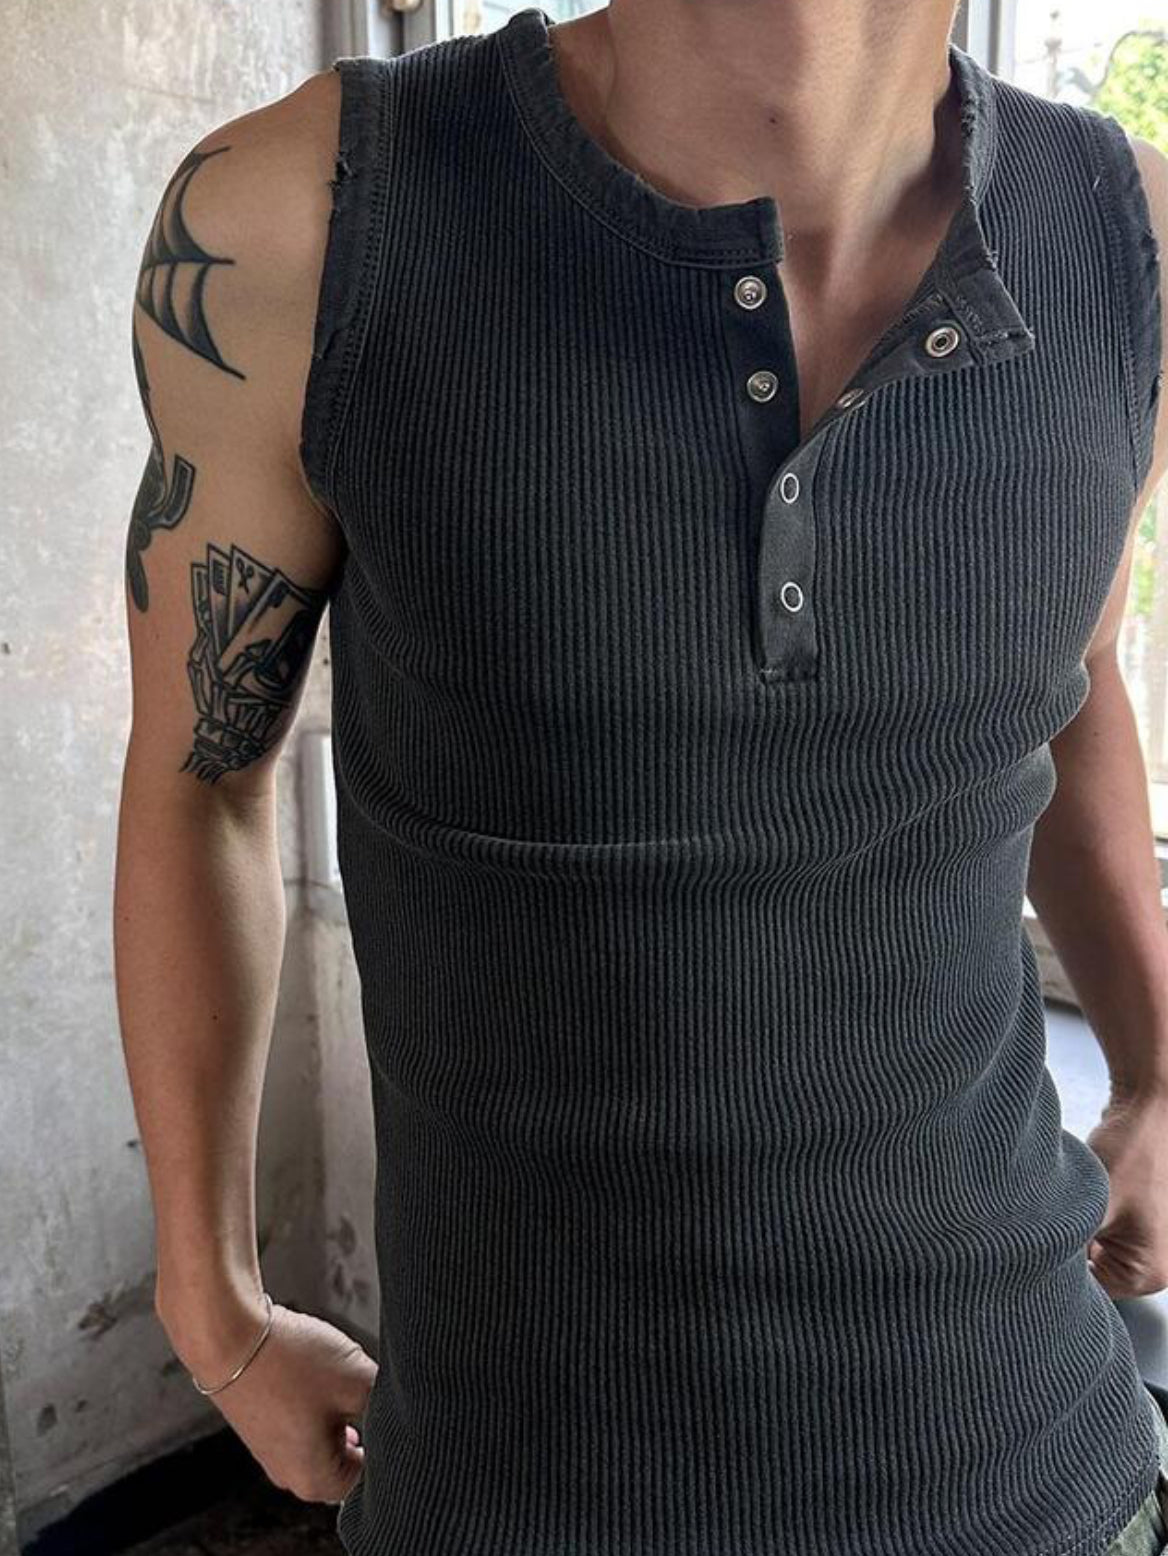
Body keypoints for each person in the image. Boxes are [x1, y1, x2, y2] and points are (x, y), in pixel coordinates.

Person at [112, 1, 1168, 1551]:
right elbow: (201, 777)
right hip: (519, 1489)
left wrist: (1153, 1064)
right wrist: (213, 1306)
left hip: (1040, 1467)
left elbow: (1070, 682)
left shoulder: (1132, 242)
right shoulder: (300, 218)